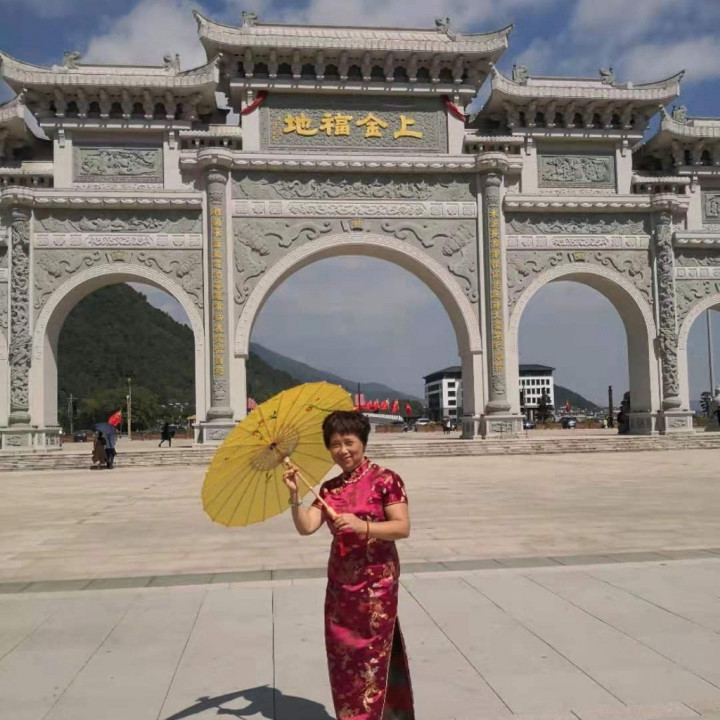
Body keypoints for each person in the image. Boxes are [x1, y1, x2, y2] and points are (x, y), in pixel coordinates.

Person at [283, 410, 414, 720]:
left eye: (348, 442)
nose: (342, 450)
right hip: (340, 586)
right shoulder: (329, 489)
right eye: (335, 444)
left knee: (371, 655)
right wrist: (294, 496)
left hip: (376, 585)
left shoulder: (386, 480)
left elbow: (402, 527)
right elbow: (307, 526)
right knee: (342, 657)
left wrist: (362, 526)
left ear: (362, 442)